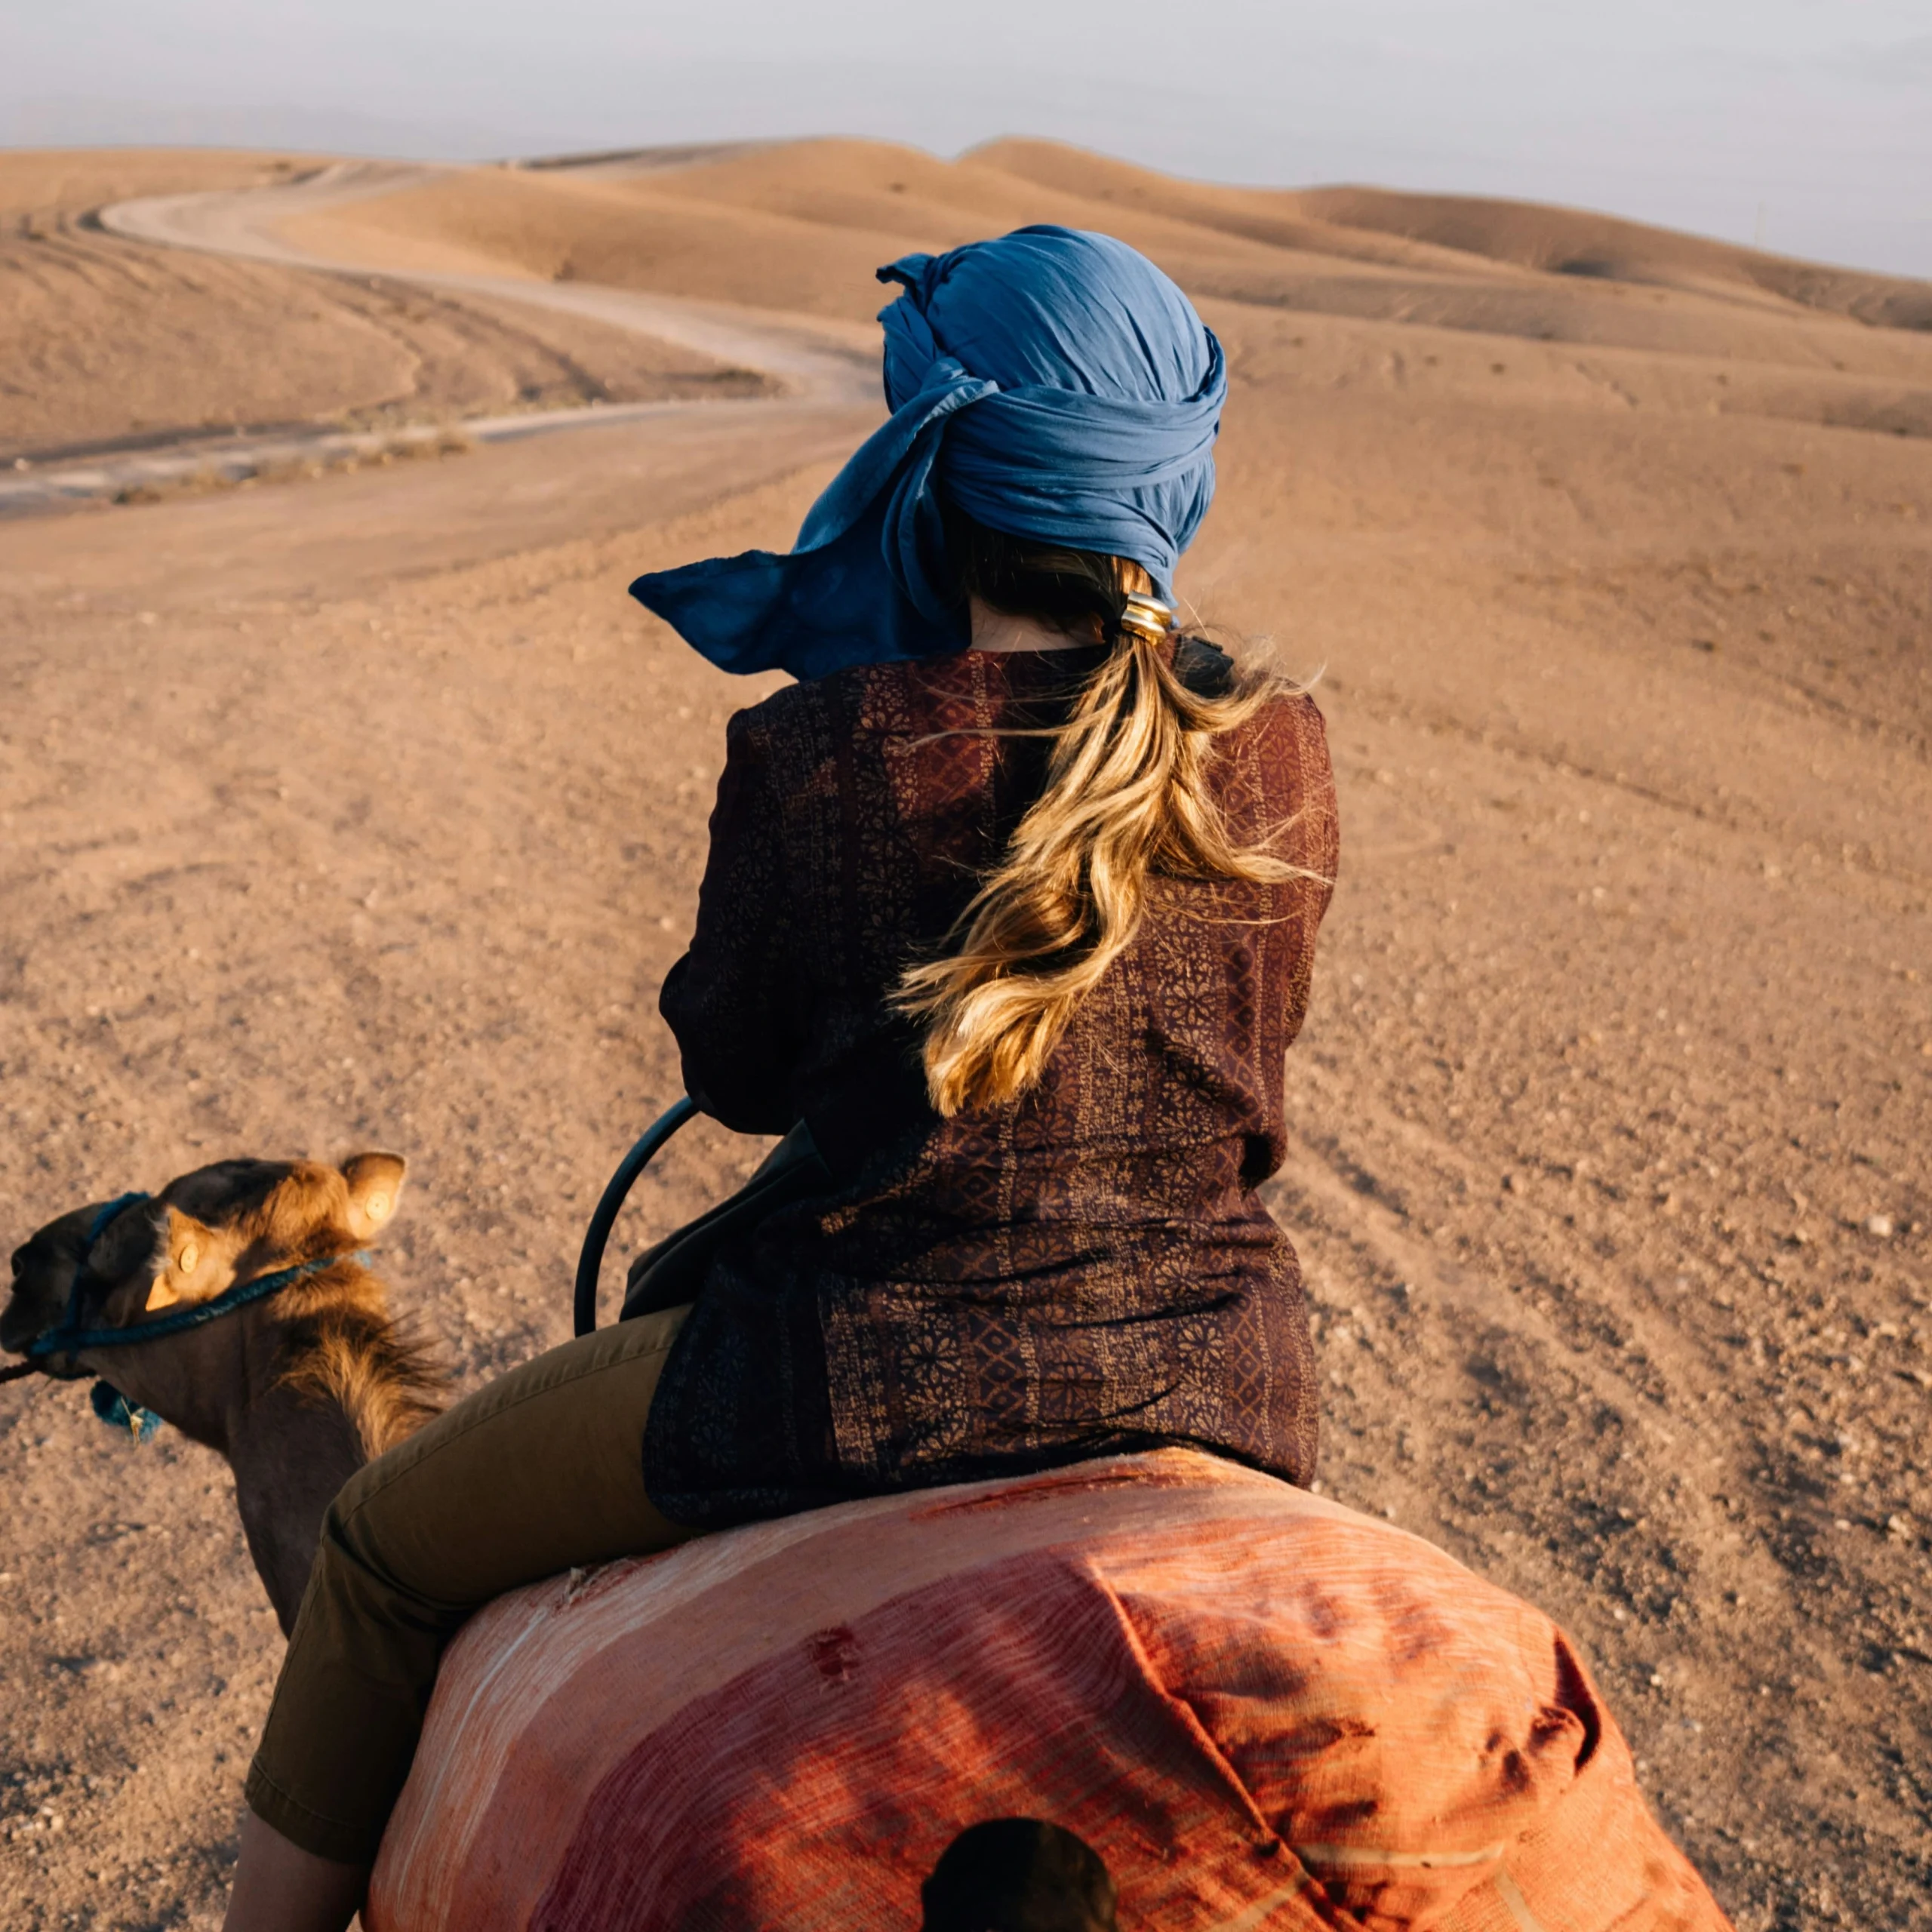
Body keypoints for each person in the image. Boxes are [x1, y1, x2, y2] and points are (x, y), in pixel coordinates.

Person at [223, 225, 1339, 1930]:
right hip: (1224, 1375)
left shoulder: (826, 746)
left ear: (925, 478)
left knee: (374, 1547)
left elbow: (730, 1067)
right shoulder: (1277, 750)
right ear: (1162, 483)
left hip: (838, 1377)